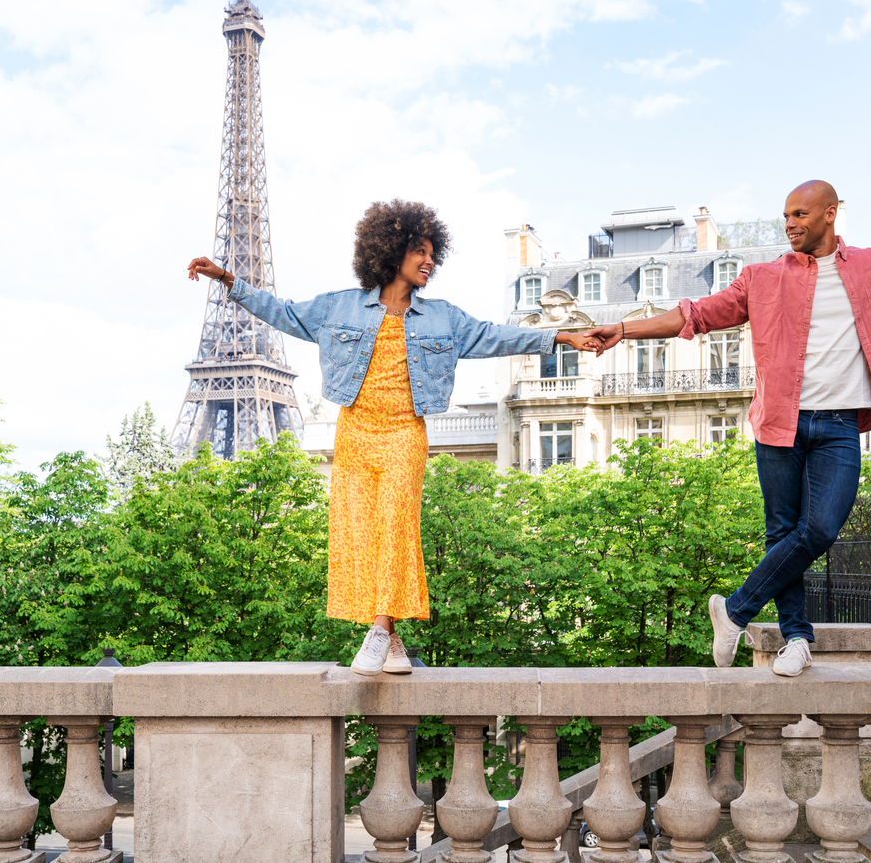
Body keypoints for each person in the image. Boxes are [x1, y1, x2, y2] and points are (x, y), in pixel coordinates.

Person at [581, 181, 871, 677]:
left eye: (800, 213)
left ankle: (734, 610)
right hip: (779, 423)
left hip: (839, 425)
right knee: (782, 533)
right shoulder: (763, 278)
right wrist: (623, 330)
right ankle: (797, 638)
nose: (790, 224)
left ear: (831, 213)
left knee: (820, 528)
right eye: (785, 216)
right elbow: (698, 314)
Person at [187, 199, 600, 676]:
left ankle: (380, 627)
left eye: (432, 254)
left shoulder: (443, 318)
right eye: (420, 252)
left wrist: (561, 338)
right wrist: (227, 280)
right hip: (356, 429)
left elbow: (495, 335)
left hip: (406, 430)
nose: (429, 262)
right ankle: (395, 642)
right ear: (390, 251)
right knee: (361, 531)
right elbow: (281, 313)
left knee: (396, 524)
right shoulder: (338, 307)